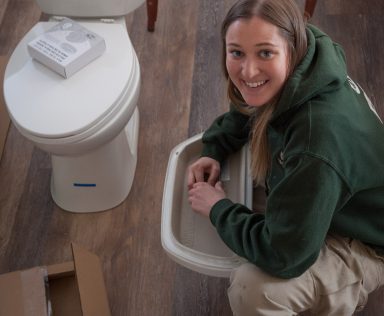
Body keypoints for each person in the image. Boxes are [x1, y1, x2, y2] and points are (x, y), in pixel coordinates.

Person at [187, 0, 384, 315]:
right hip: (330, 187)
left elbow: (284, 255)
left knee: (252, 290)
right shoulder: (305, 59)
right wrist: (215, 147)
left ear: (292, 48)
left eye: (265, 52)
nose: (248, 71)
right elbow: (248, 101)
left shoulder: (314, 141)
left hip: (365, 237)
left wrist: (217, 208)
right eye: (236, 52)